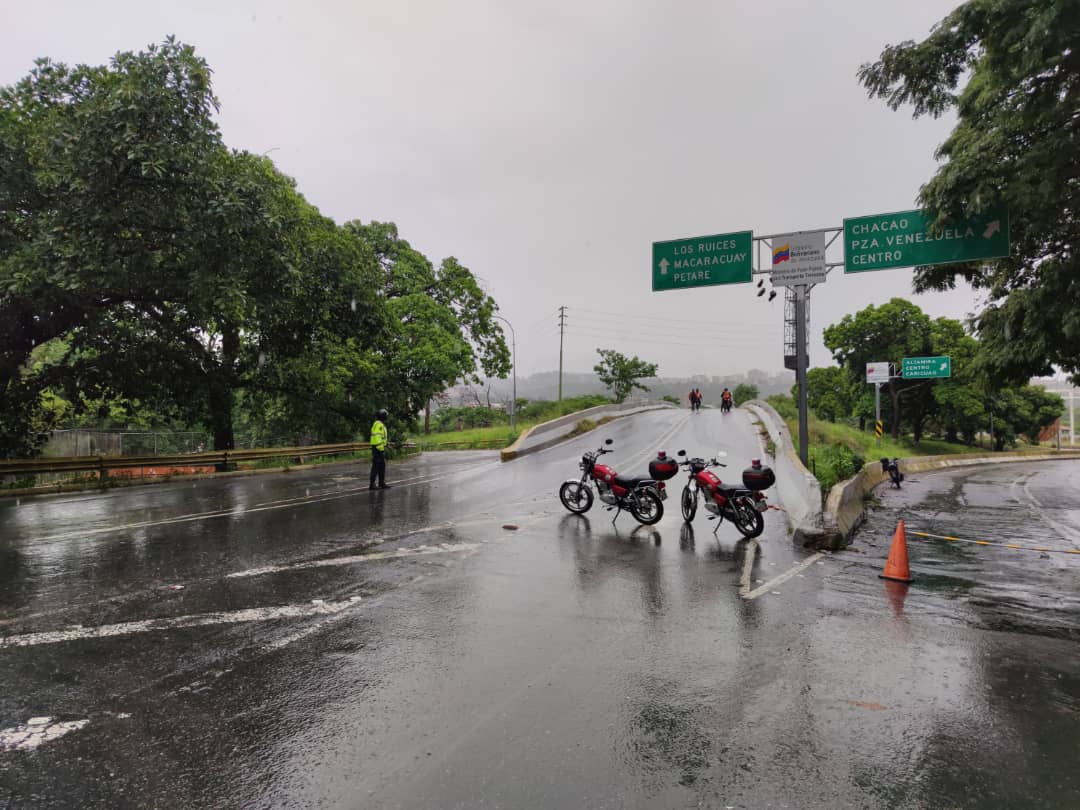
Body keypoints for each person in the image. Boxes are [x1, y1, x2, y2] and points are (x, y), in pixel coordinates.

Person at [369, 408, 390, 490]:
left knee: (382, 466)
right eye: (386, 416)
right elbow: (377, 437)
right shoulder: (379, 425)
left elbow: (381, 437)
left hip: (379, 448)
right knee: (376, 466)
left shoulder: (379, 423)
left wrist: (385, 445)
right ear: (383, 416)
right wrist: (381, 447)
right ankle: (372, 484)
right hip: (378, 448)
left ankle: (381, 483)